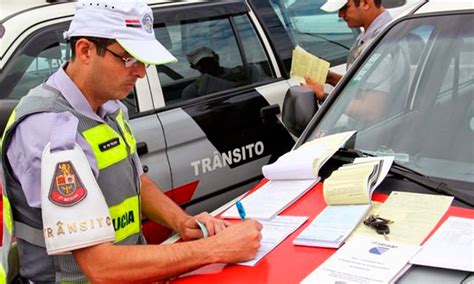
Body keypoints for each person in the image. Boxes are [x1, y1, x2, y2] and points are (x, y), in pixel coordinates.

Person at [0, 0, 262, 282]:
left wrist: (182, 222)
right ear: (85, 50)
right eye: (128, 59)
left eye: (144, 61)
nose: (141, 72)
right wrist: (215, 249)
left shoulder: (110, 106)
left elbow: (136, 182)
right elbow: (101, 266)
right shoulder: (51, 131)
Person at [304, 0, 392, 103]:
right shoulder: (371, 36)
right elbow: (362, 86)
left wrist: (323, 96)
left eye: (345, 7)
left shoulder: (382, 44)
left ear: (366, 3)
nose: (340, 15)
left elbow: (372, 110)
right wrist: (331, 78)